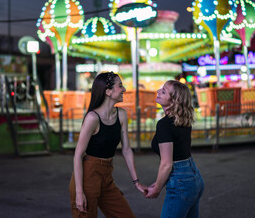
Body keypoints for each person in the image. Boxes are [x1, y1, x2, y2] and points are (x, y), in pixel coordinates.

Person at [69, 71, 147, 217]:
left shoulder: (121, 114)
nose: (124, 89)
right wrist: (79, 192)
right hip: (88, 177)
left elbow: (126, 150)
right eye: (120, 86)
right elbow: (78, 156)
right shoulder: (93, 118)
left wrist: (136, 182)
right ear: (108, 91)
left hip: (106, 176)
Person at [145, 80, 205, 218]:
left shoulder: (164, 124)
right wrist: (160, 181)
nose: (158, 91)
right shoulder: (184, 120)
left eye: (164, 91)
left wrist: (158, 188)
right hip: (194, 176)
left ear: (173, 101)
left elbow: (167, 164)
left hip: (181, 182)